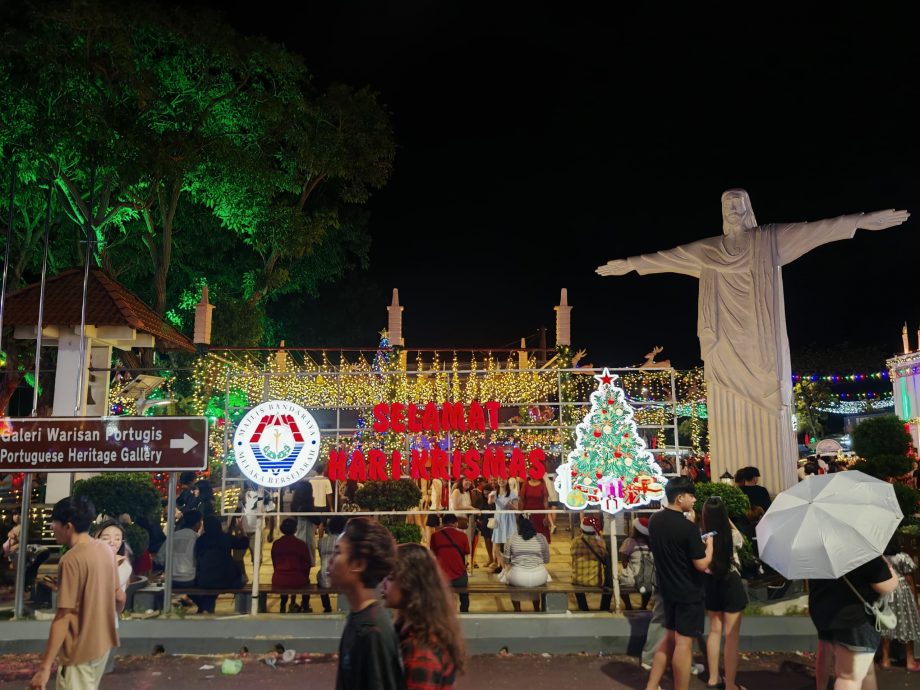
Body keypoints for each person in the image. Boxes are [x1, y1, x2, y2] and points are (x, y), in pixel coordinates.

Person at [597, 191, 909, 494]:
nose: (733, 209)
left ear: (748, 208)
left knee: (769, 389)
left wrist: (860, 221)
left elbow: (816, 229)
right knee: (725, 391)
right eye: (727, 204)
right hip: (723, 341)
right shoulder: (708, 249)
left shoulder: (769, 239)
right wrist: (632, 263)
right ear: (722, 212)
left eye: (738, 203)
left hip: (761, 339)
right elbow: (668, 256)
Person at [30, 497, 124, 690]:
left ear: (68, 526)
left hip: (79, 650)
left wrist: (45, 667)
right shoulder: (105, 550)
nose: (52, 528)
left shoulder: (70, 560)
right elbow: (119, 596)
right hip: (103, 643)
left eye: (54, 523)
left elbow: (63, 617)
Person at [644, 477, 713, 690]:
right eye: (691, 496)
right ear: (680, 497)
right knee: (683, 645)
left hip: (668, 590)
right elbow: (701, 564)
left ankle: (652, 686)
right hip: (688, 592)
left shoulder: (655, 520)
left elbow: (674, 548)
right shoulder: (688, 528)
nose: (694, 500)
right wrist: (709, 546)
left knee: (669, 640)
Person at [328, 517, 403, 690]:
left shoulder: (372, 632)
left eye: (338, 552)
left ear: (358, 564)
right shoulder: (359, 617)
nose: (331, 560)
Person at [382, 543, 466, 690]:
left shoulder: (421, 651)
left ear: (409, 583)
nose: (383, 584)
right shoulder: (410, 630)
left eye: (390, 578)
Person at [810, 553, 898, 690]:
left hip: (825, 613)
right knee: (849, 677)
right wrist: (890, 569)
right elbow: (887, 586)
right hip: (855, 620)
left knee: (866, 671)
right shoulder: (861, 551)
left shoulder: (817, 551)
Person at [700, 496, 748, 690]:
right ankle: (730, 685)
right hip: (731, 584)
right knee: (731, 636)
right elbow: (741, 541)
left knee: (714, 630)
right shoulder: (732, 535)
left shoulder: (701, 536)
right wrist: (726, 518)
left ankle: (713, 679)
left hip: (710, 584)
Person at [94, 520, 132, 675]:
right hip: (84, 622)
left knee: (98, 672)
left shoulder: (123, 564)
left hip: (105, 622)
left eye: (117, 538)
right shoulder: (90, 560)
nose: (112, 542)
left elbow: (115, 595)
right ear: (97, 539)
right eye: (106, 537)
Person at [879, 535, 920, 671]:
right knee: (907, 622)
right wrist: (915, 601)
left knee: (886, 624)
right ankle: (910, 661)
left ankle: (885, 660)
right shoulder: (903, 557)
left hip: (886, 590)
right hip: (902, 590)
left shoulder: (881, 558)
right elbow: (909, 579)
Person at [194, 515, 247, 614]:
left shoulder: (201, 540)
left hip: (205, 581)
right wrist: (241, 530)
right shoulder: (226, 538)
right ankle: (207, 609)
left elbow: (197, 558)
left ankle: (206, 608)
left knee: (211, 582)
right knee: (243, 579)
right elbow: (244, 543)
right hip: (227, 580)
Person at [503, 513, 550, 612]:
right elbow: (546, 560)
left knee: (509, 578)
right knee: (535, 582)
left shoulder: (512, 538)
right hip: (539, 577)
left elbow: (506, 560)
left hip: (518, 577)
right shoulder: (541, 538)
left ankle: (517, 609)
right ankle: (536, 608)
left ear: (518, 526)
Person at [429, 514, 471, 613]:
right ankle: (464, 612)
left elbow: (433, 554)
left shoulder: (434, 536)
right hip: (459, 578)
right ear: (456, 523)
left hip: (442, 579)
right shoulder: (463, 536)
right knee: (464, 595)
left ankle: (441, 613)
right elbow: (467, 553)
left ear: (442, 524)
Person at [272, 517, 312, 614]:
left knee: (285, 580)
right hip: (297, 578)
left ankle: (283, 604)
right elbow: (307, 564)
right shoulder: (301, 544)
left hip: (279, 578)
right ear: (295, 529)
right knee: (307, 583)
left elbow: (275, 562)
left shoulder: (277, 544)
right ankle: (305, 605)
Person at [571, 515, 609, 611]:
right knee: (610, 587)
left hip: (578, 579)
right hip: (595, 580)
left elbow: (573, 555)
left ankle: (583, 608)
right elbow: (605, 555)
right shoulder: (600, 542)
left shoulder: (575, 541)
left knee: (577, 585)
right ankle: (604, 608)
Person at [618, 517, 655, 610]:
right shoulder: (651, 543)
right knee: (647, 583)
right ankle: (643, 606)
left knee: (619, 583)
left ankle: (628, 606)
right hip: (649, 578)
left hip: (632, 578)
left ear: (636, 529)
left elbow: (624, 561)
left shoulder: (629, 541)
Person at [316, 516, 347, 614]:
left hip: (325, 580)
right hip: (341, 581)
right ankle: (343, 606)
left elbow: (322, 557)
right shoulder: (346, 542)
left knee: (320, 575)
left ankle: (327, 606)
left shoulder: (321, 542)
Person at [489, 479, 518, 571]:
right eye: (499, 479)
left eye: (503, 479)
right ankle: (504, 567)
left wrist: (510, 506)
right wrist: (490, 498)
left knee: (508, 546)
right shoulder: (494, 492)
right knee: (495, 547)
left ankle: (508, 568)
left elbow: (516, 509)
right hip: (498, 519)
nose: (501, 481)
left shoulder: (512, 493)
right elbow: (489, 502)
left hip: (509, 519)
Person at [519, 474, 550, 544]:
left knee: (541, 537)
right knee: (528, 536)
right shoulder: (525, 484)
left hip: (540, 514)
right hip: (528, 515)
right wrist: (520, 514)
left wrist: (546, 516)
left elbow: (545, 501)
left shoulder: (542, 484)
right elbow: (521, 500)